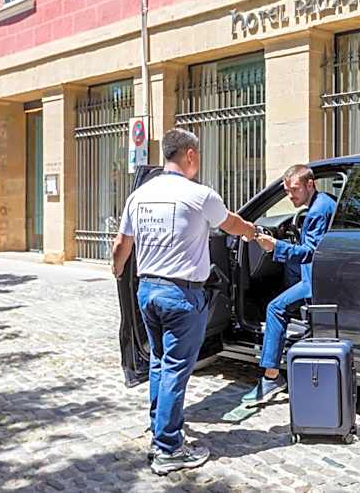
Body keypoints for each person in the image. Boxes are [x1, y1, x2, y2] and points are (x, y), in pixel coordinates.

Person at [112, 128, 256, 476]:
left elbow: (121, 247)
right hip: (182, 295)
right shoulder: (200, 195)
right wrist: (253, 232)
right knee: (176, 369)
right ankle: (168, 449)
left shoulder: (139, 196)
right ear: (189, 155)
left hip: (147, 291)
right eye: (199, 156)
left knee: (161, 364)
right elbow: (232, 225)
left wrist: (118, 274)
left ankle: (159, 429)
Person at [242, 164, 336, 404]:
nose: (290, 195)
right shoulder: (324, 202)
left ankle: (271, 377)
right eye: (286, 191)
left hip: (316, 279)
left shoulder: (317, 212)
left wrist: (276, 246)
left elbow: (311, 252)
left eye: (294, 190)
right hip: (315, 273)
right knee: (285, 275)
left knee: (275, 307)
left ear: (310, 184)